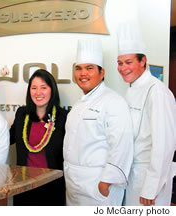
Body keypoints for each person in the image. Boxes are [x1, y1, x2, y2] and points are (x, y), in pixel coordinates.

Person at [63, 37, 133, 206]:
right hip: (73, 184)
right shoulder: (78, 105)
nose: (83, 73)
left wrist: (106, 182)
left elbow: (122, 144)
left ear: (102, 73)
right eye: (78, 68)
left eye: (89, 68)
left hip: (98, 186)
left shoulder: (113, 101)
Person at [117, 22, 176, 206]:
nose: (123, 68)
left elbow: (164, 144)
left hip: (148, 180)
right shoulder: (132, 89)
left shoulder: (156, 91)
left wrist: (152, 187)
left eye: (128, 62)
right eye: (119, 63)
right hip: (133, 177)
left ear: (143, 61)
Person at [10, 69, 68, 206]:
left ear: (52, 90)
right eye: (34, 88)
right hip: (24, 186)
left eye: (43, 88)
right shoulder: (22, 114)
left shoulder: (63, 117)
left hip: (52, 187)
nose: (38, 93)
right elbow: (7, 138)